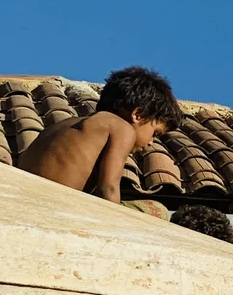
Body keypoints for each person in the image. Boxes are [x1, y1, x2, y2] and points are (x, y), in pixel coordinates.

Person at [17, 66, 181, 204]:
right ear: (137, 115)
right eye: (155, 133)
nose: (152, 142)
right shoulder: (121, 128)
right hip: (55, 207)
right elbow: (108, 189)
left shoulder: (60, 127)